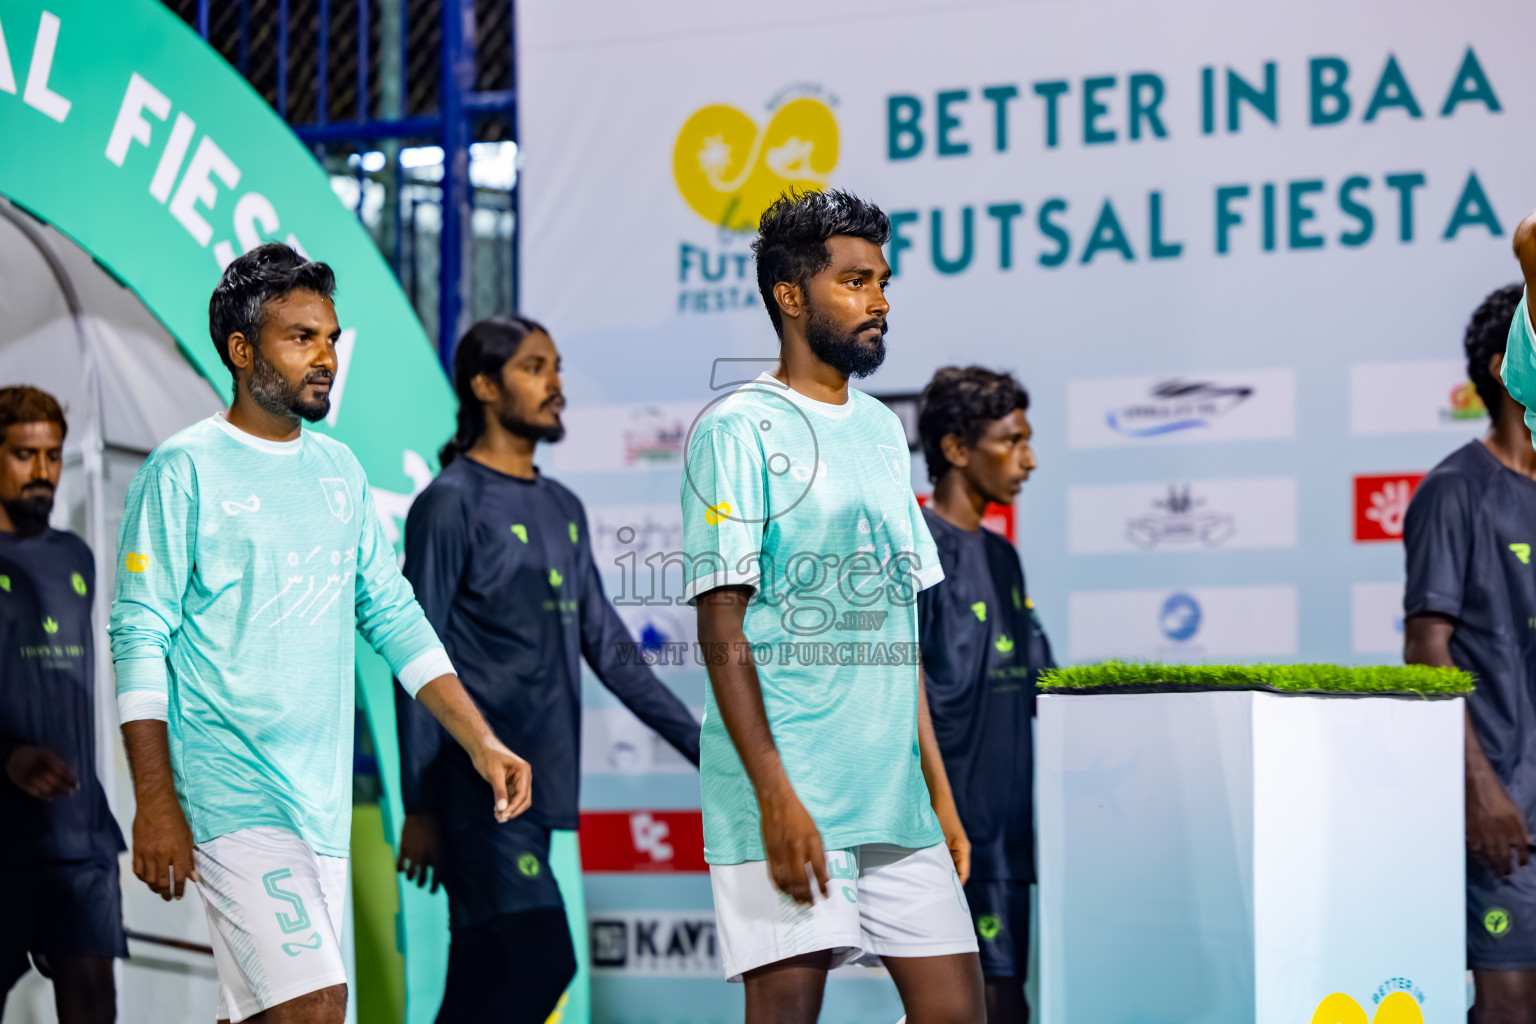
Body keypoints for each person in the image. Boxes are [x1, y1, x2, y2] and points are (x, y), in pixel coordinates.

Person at [108, 243, 532, 1024]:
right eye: (301, 338)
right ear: (242, 351)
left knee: (274, 1012)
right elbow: (139, 636)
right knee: (316, 1005)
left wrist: (481, 742)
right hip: (231, 795)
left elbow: (394, 616)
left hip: (321, 806)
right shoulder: (183, 471)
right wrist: (155, 802)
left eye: (331, 338)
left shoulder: (338, 471)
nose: (326, 357)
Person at [682, 189, 984, 1024]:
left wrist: (940, 796)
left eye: (882, 282)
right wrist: (776, 797)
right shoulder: (737, 428)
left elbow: (898, 631)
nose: (880, 300)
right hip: (790, 798)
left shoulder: (886, 429)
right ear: (790, 296)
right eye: (855, 282)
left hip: (897, 804)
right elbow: (721, 629)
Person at [394, 315, 701, 1022]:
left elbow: (613, 650)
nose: (556, 384)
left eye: (556, 367)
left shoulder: (563, 506)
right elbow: (415, 653)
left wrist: (707, 750)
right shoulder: (449, 503)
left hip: (538, 790)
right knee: (541, 955)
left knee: (481, 974)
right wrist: (419, 805)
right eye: (535, 368)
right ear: (483, 385)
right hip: (478, 789)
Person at [1404, 279, 1536, 1023]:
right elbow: (1426, 649)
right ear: (1506, 366)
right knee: (1512, 1006)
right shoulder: (1455, 490)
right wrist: (1480, 791)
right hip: (1506, 812)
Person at [915, 367, 1053, 1023]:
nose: (1029, 458)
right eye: (1011, 440)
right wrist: (941, 811)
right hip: (946, 834)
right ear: (955, 449)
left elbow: (1042, 683)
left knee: (1000, 1005)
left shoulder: (1005, 558)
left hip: (1009, 834)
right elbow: (897, 689)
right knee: (987, 1006)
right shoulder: (908, 548)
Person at [0, 387, 125, 1024]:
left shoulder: (76, 556)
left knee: (93, 1005)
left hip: (80, 838)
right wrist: (11, 756)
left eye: (52, 456)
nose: (43, 472)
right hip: (3, 837)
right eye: (25, 455)